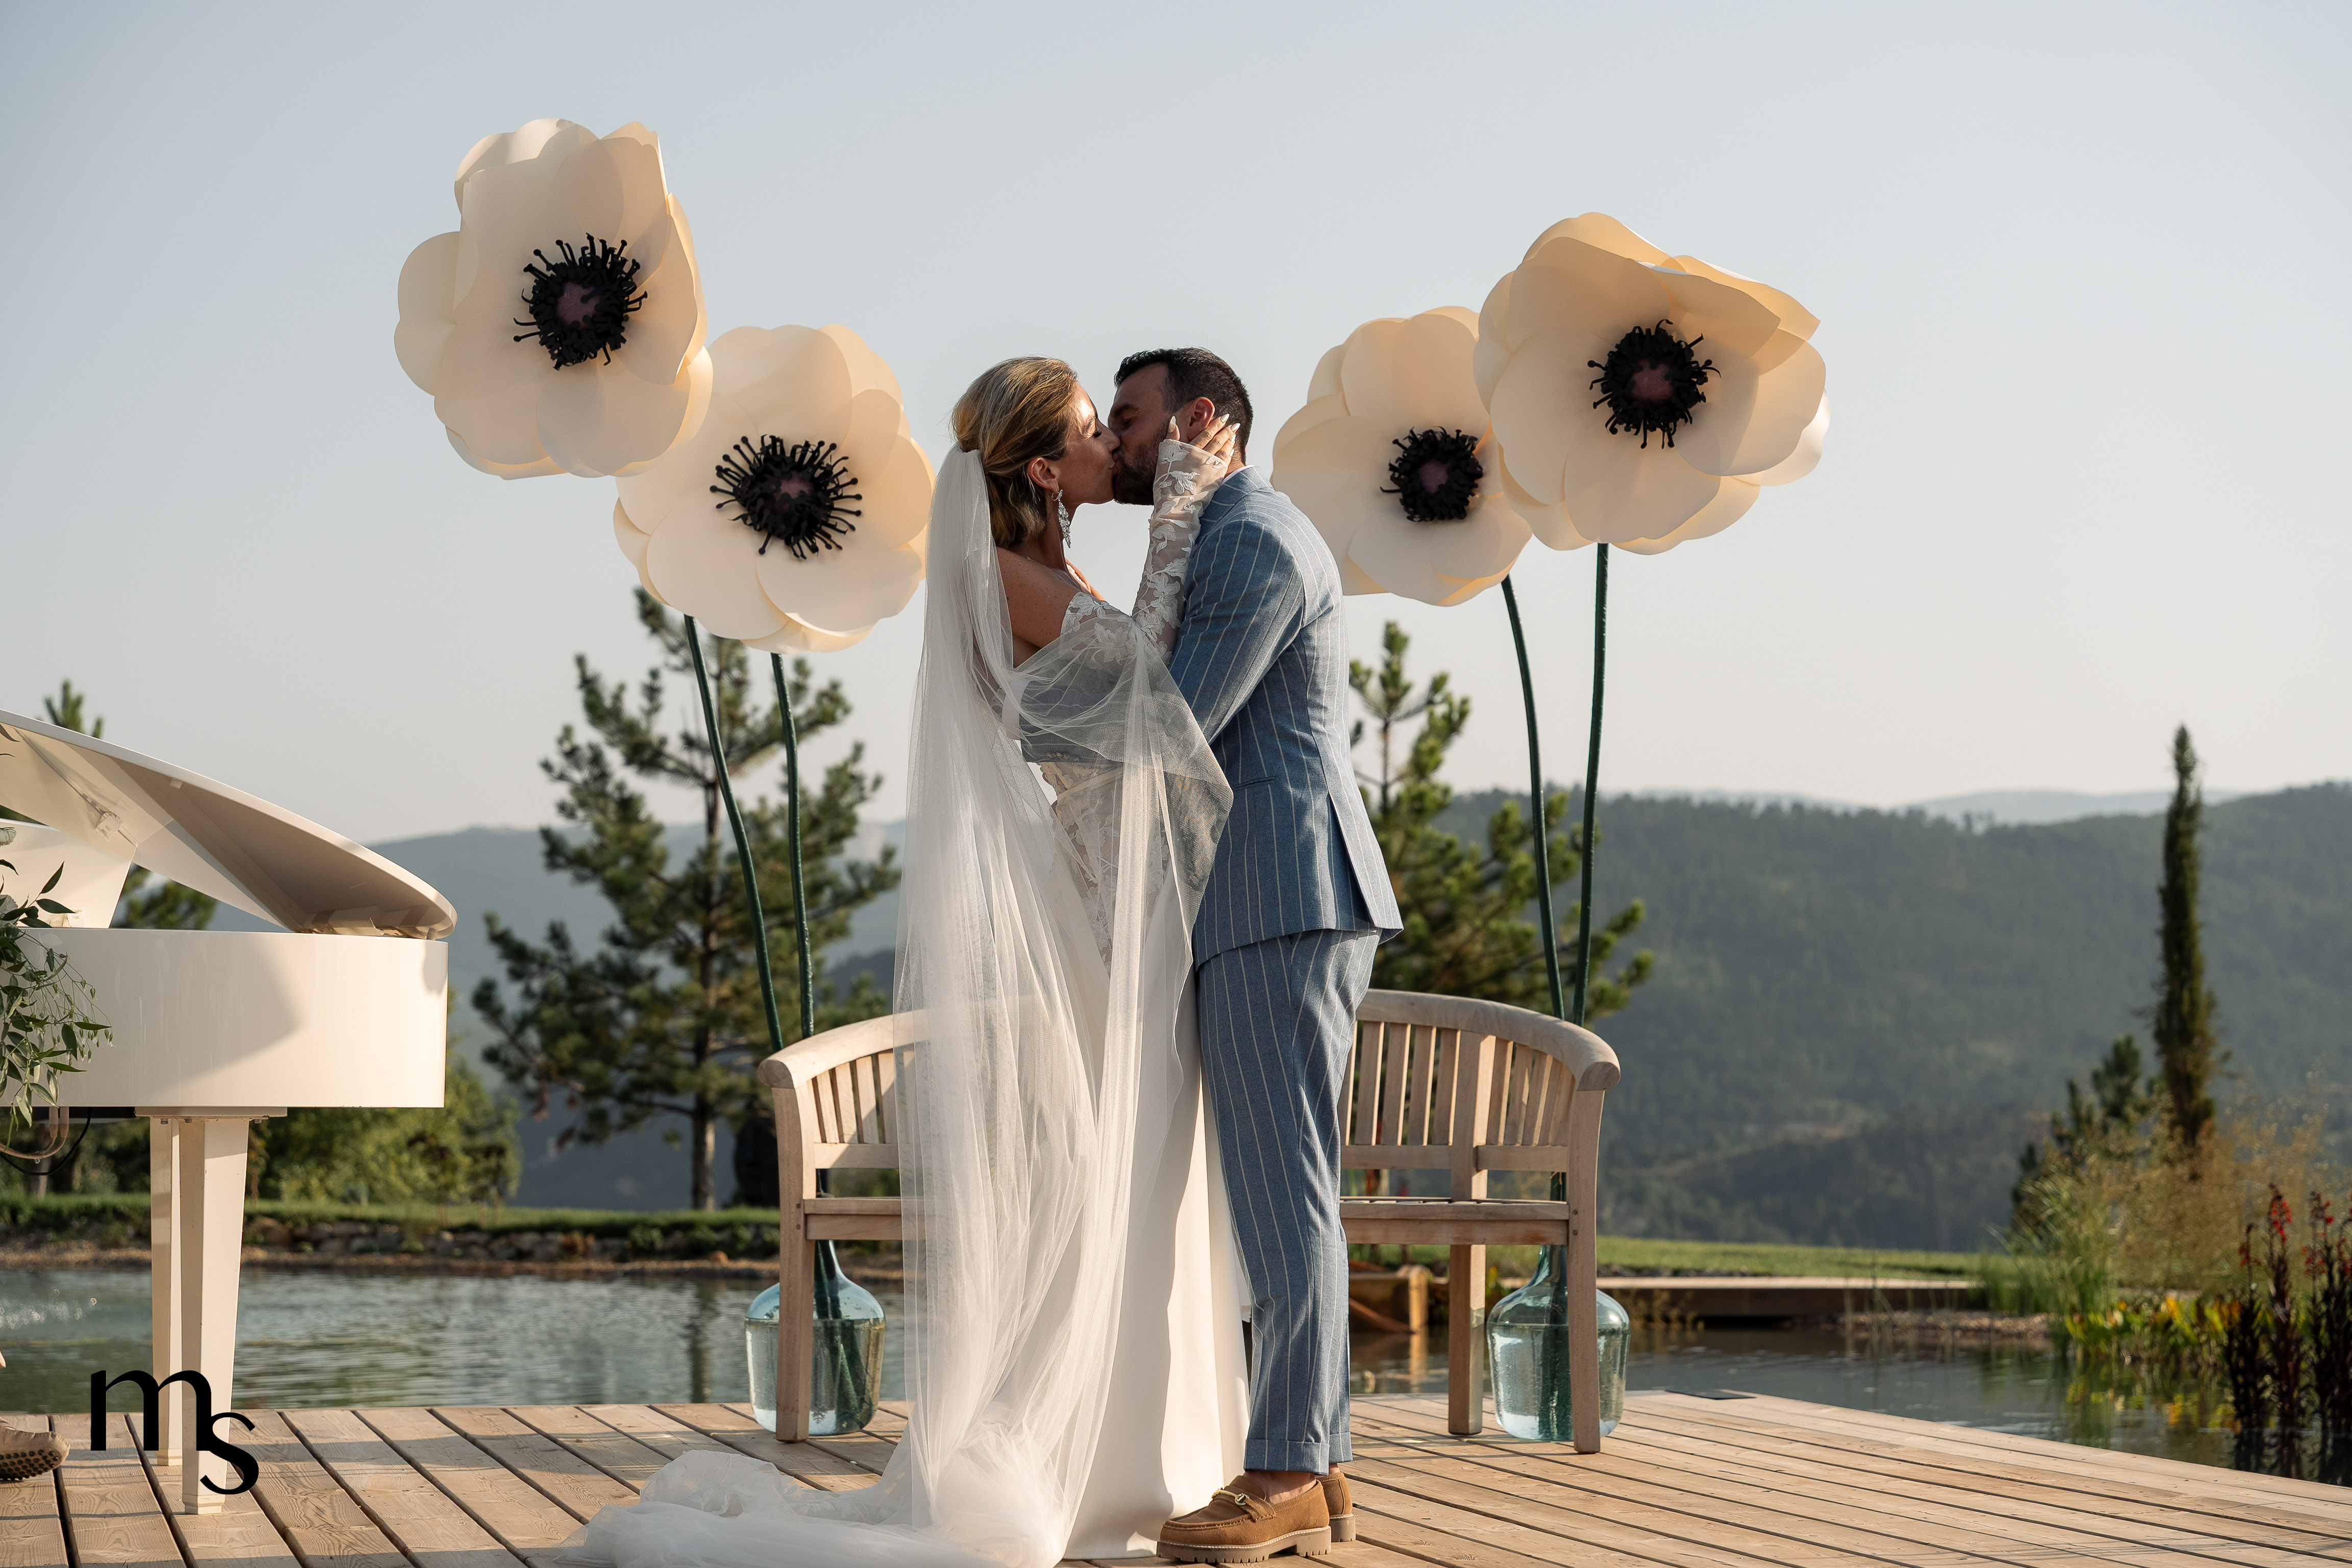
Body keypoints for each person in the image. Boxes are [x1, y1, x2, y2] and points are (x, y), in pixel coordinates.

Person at [565, 357, 1252, 1568]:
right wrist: (1186, 505)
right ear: (1043, 468)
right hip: (1106, 912)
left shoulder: (1042, 572)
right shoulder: (1010, 577)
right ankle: (1089, 1454)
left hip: (1125, 895)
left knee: (1142, 1168)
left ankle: (1143, 1444)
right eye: (1090, 434)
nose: (1110, 449)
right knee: (1125, 1164)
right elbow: (1155, 682)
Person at [1106, 350, 1401, 1565]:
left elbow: (1174, 727)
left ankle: (1281, 1471)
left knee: (1284, 1193)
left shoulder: (1250, 541)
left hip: (1280, 890)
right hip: (1269, 894)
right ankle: (1318, 1465)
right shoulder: (1224, 534)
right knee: (1286, 1189)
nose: (1116, 440)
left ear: (1199, 417)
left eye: (1129, 418)